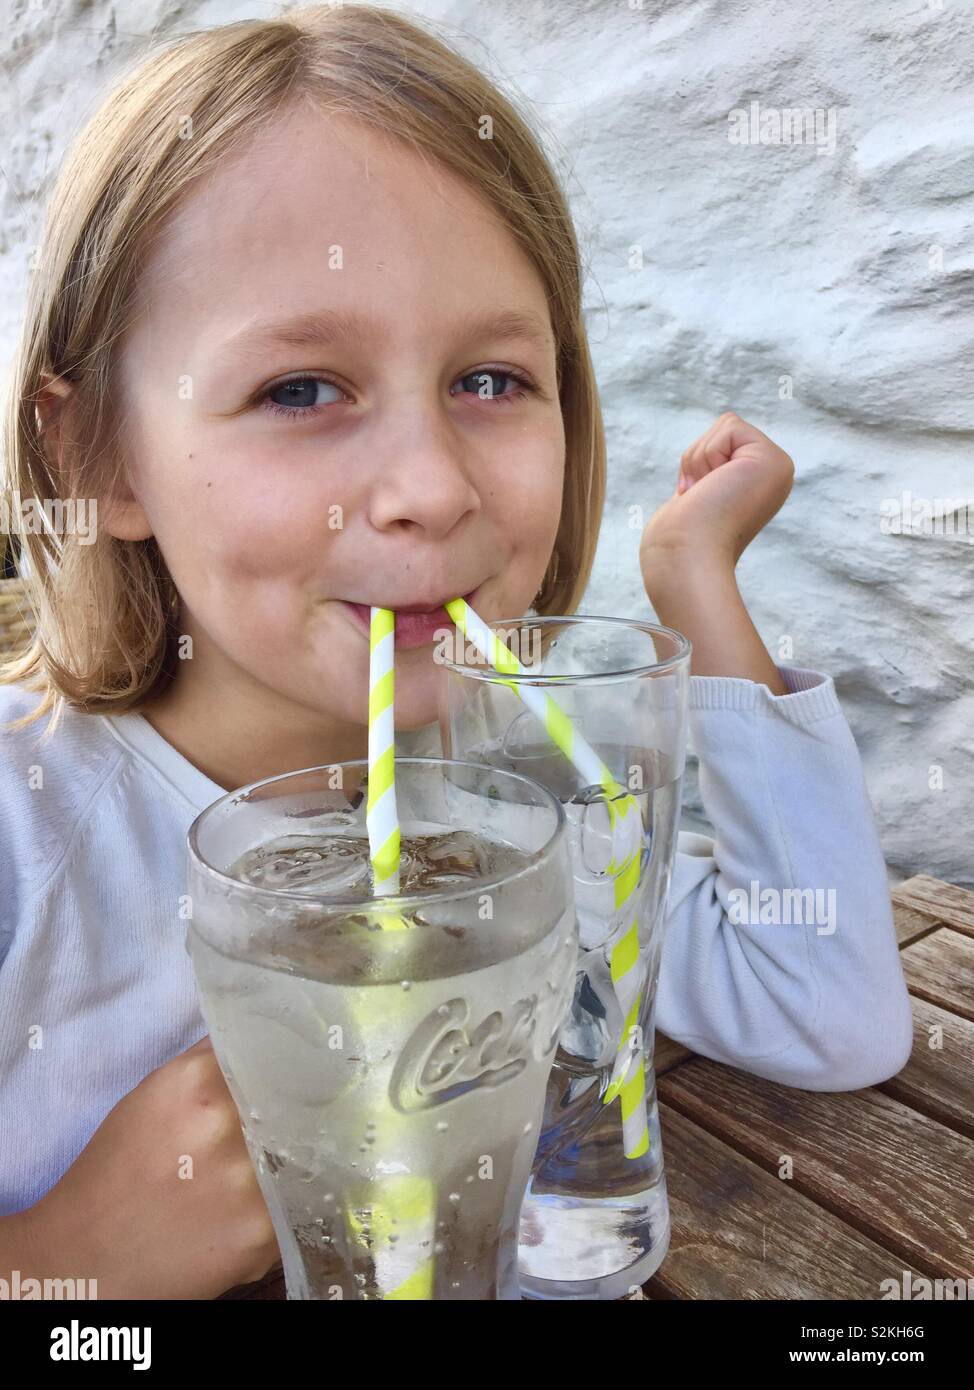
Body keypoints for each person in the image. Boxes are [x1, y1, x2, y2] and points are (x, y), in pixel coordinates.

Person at [0, 4, 912, 1298]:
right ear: (94, 454)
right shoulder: (25, 832)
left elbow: (824, 1009)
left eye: (488, 380)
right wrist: (56, 1260)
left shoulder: (535, 804)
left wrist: (691, 581)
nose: (428, 487)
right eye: (301, 390)